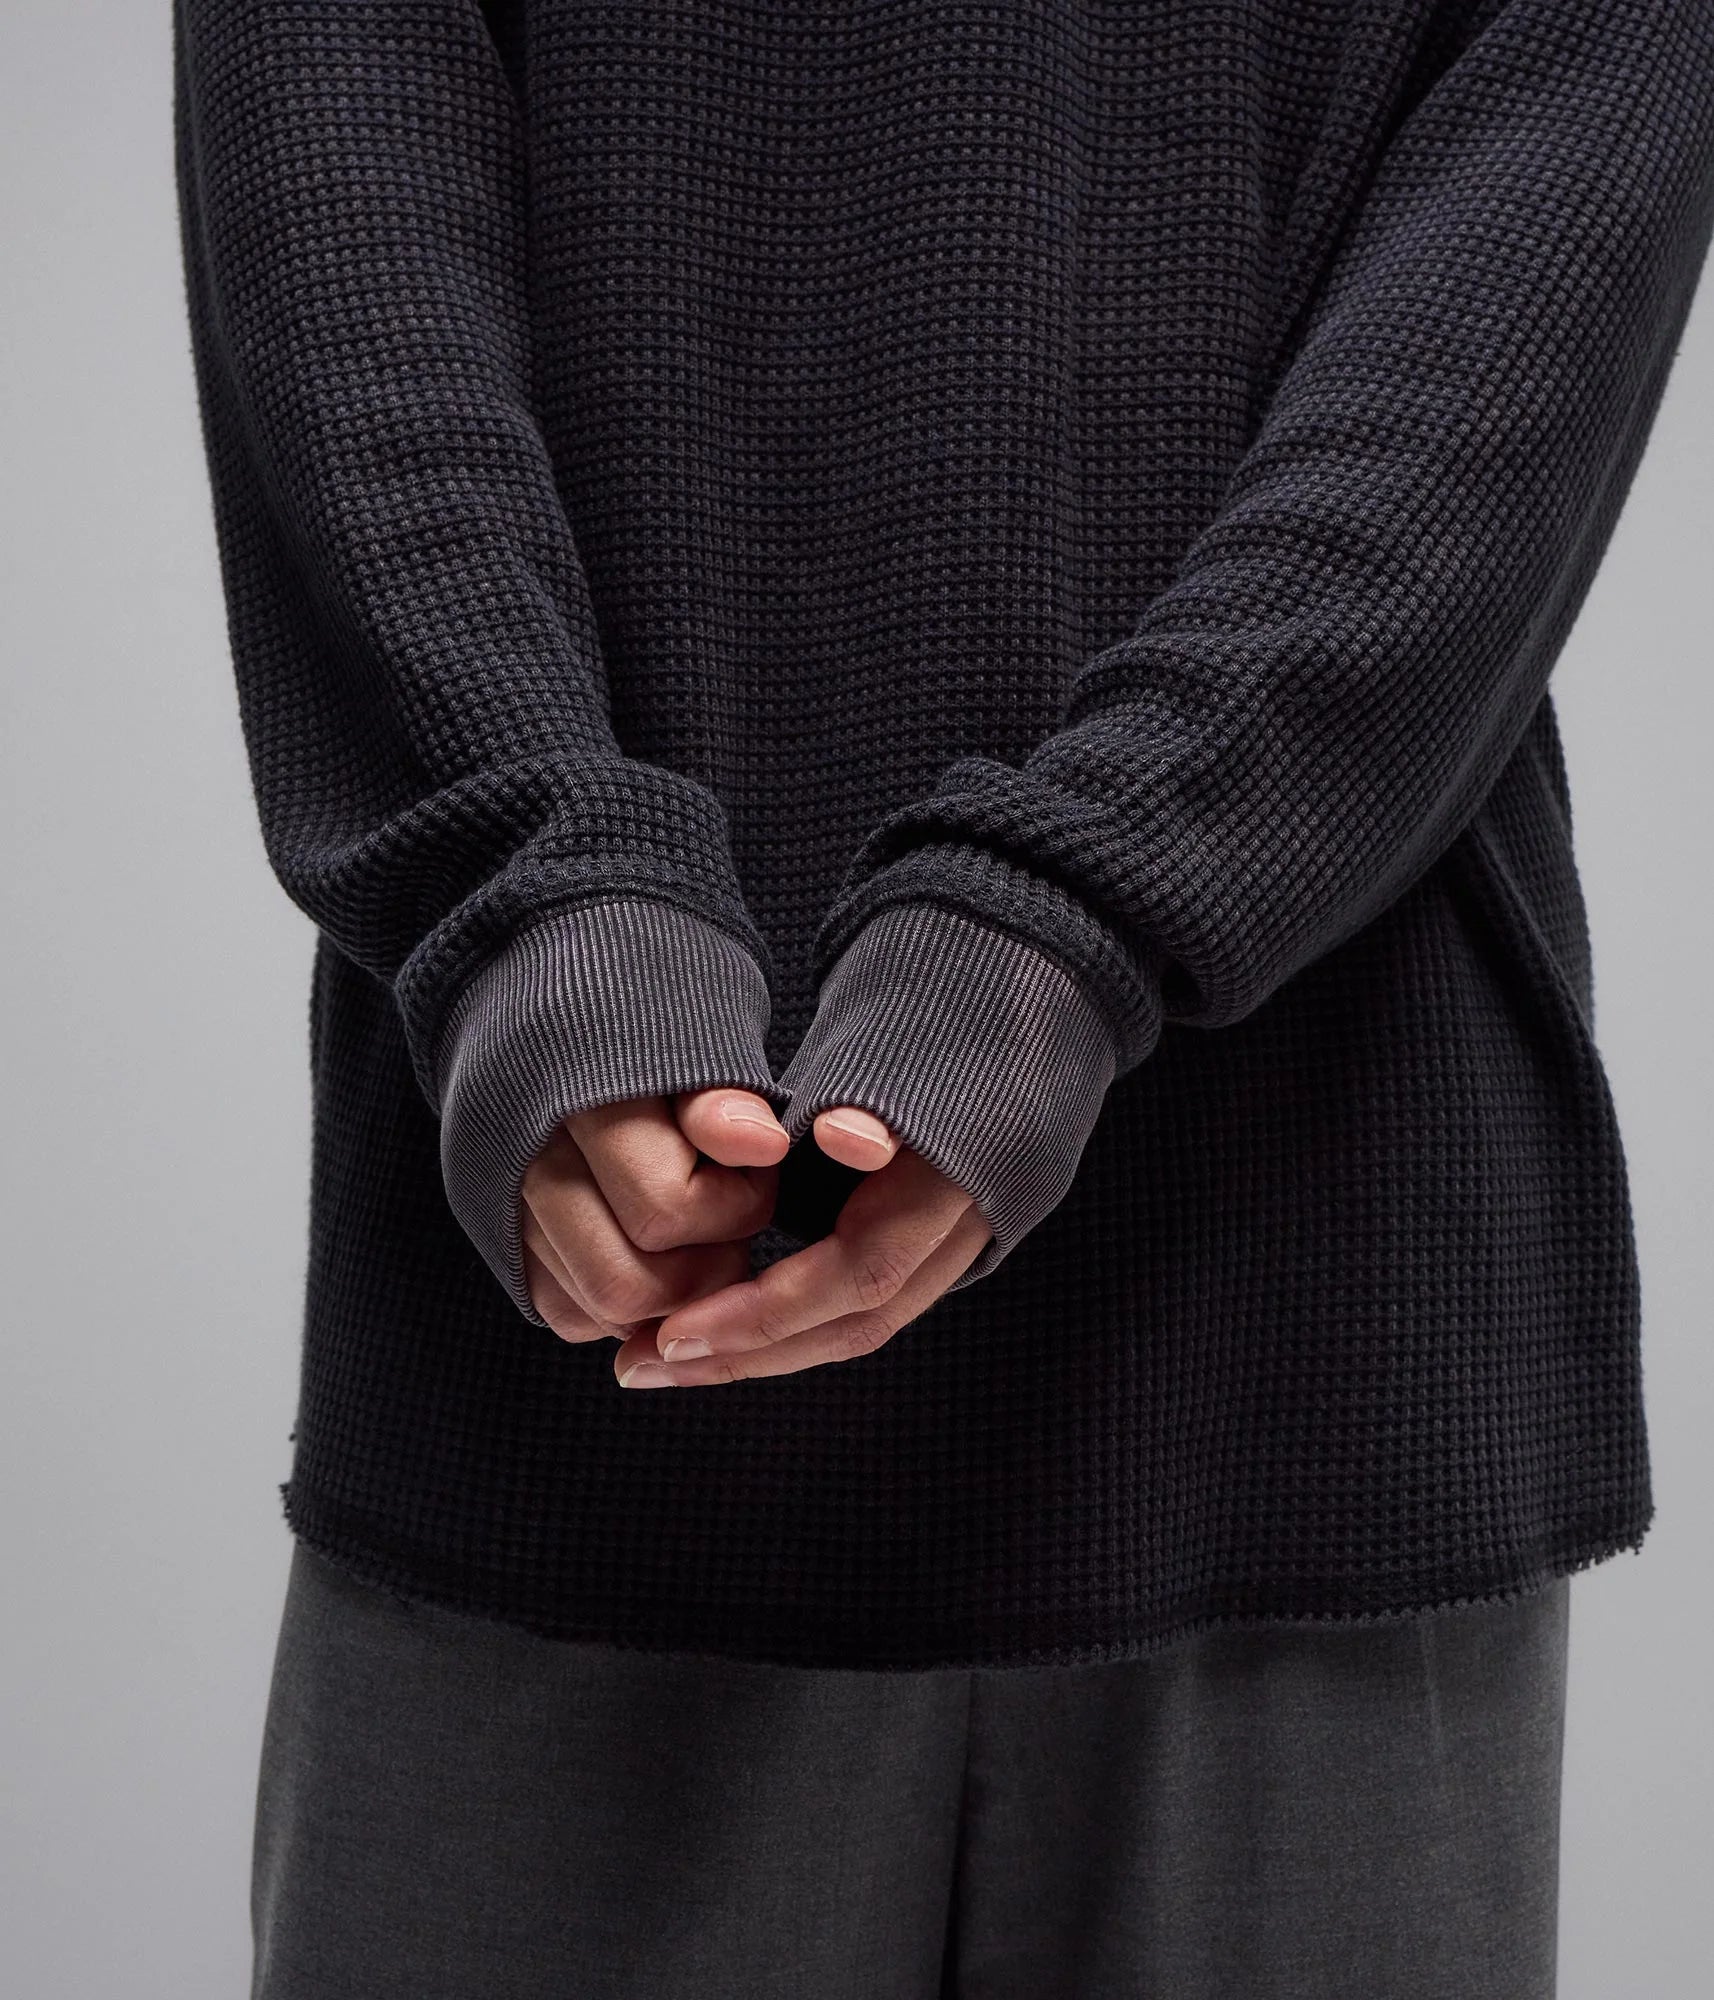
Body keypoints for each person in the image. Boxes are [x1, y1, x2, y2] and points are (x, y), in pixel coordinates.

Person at [172, 2, 1714, 1995]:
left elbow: (1508, 326)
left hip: (1285, 1335)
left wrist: (1034, 928)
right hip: (586, 1340)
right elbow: (345, 250)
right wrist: (563, 922)